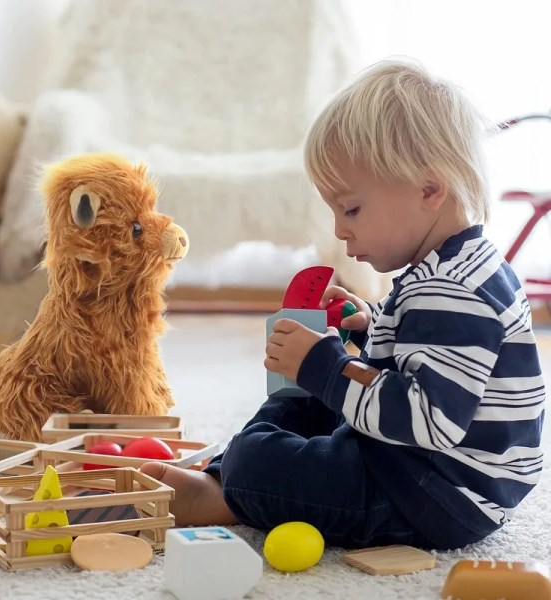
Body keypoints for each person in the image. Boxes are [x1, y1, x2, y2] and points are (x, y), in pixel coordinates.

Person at [142, 59, 546, 549]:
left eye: (351, 208)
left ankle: (233, 488)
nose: (340, 229)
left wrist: (328, 367)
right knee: (301, 396)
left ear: (430, 189)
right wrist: (369, 328)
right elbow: (424, 361)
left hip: (440, 495)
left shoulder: (451, 291)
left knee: (271, 448)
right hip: (421, 466)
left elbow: (429, 420)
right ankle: (231, 475)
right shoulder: (452, 268)